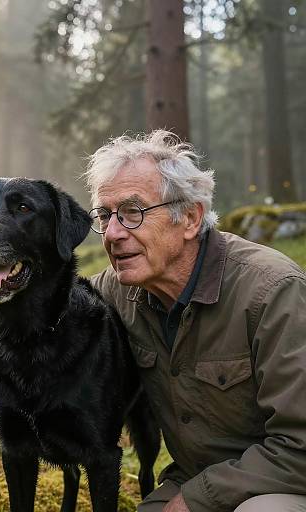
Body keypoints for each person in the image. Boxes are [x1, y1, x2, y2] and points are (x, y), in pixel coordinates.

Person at [86, 130, 306, 512]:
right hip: (189, 479)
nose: (114, 233)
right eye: (105, 215)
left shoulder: (273, 290)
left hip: (282, 484)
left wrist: (196, 499)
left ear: (189, 218)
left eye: (133, 212)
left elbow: (301, 448)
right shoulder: (117, 290)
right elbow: (52, 307)